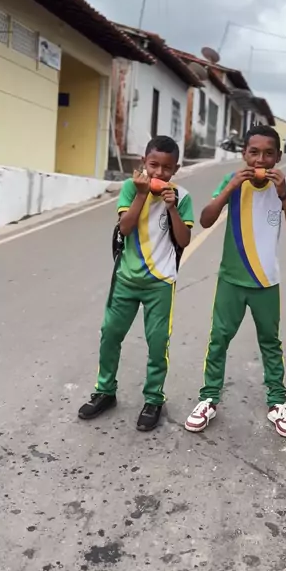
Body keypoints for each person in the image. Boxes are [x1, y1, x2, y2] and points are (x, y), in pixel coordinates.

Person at [185, 124, 286, 438]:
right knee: (219, 339)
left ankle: (277, 402)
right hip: (231, 279)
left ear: (278, 156)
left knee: (270, 342)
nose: (260, 160)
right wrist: (229, 188)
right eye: (254, 153)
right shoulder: (232, 181)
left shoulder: (285, 186)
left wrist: (283, 195)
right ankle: (209, 398)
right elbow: (206, 219)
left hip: (266, 281)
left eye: (268, 154)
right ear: (244, 154)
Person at [78, 135, 194, 432]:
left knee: (157, 343)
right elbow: (125, 227)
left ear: (176, 169)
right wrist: (142, 195)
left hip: (160, 283)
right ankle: (105, 391)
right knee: (110, 334)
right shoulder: (131, 188)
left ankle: (153, 398)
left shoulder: (182, 197)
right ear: (144, 163)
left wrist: (172, 208)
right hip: (126, 280)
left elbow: (183, 240)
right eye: (153, 165)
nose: (159, 173)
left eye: (166, 168)